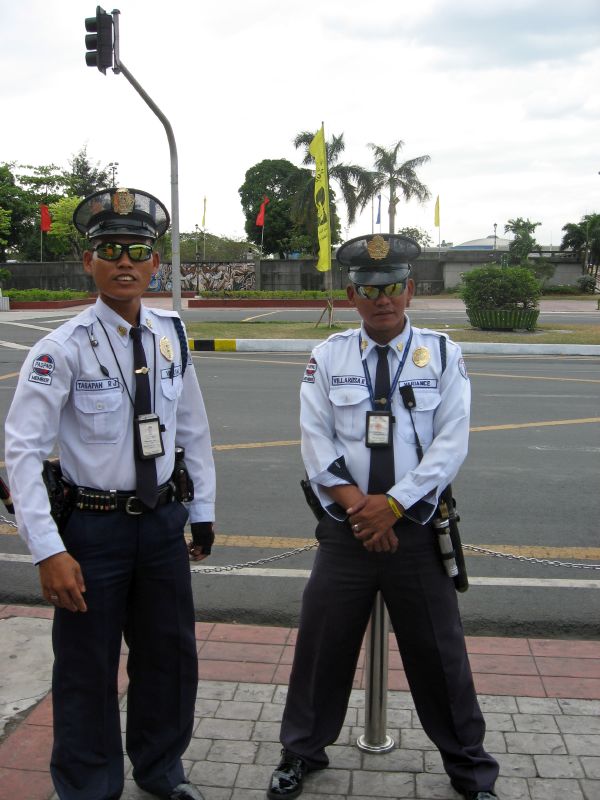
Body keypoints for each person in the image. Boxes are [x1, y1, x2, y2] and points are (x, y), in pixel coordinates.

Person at [267, 233, 499, 800]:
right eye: (370, 289)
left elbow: (451, 444)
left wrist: (393, 506)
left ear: (410, 290)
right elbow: (315, 441)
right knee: (321, 647)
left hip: (417, 527)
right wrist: (359, 509)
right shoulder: (328, 356)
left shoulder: (442, 354)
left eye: (393, 287)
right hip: (346, 530)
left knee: (440, 655)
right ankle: (301, 752)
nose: (383, 299)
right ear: (353, 294)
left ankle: (470, 769)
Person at [5, 187, 215, 800]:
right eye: (109, 249)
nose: (125, 261)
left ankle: (160, 771)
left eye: (138, 250)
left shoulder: (171, 336)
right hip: (91, 533)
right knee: (86, 671)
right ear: (88, 261)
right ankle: (89, 788)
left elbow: (193, 428)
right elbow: (21, 452)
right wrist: (47, 551)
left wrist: (200, 511)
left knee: (170, 662)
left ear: (155, 262)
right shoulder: (59, 349)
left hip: (160, 526)